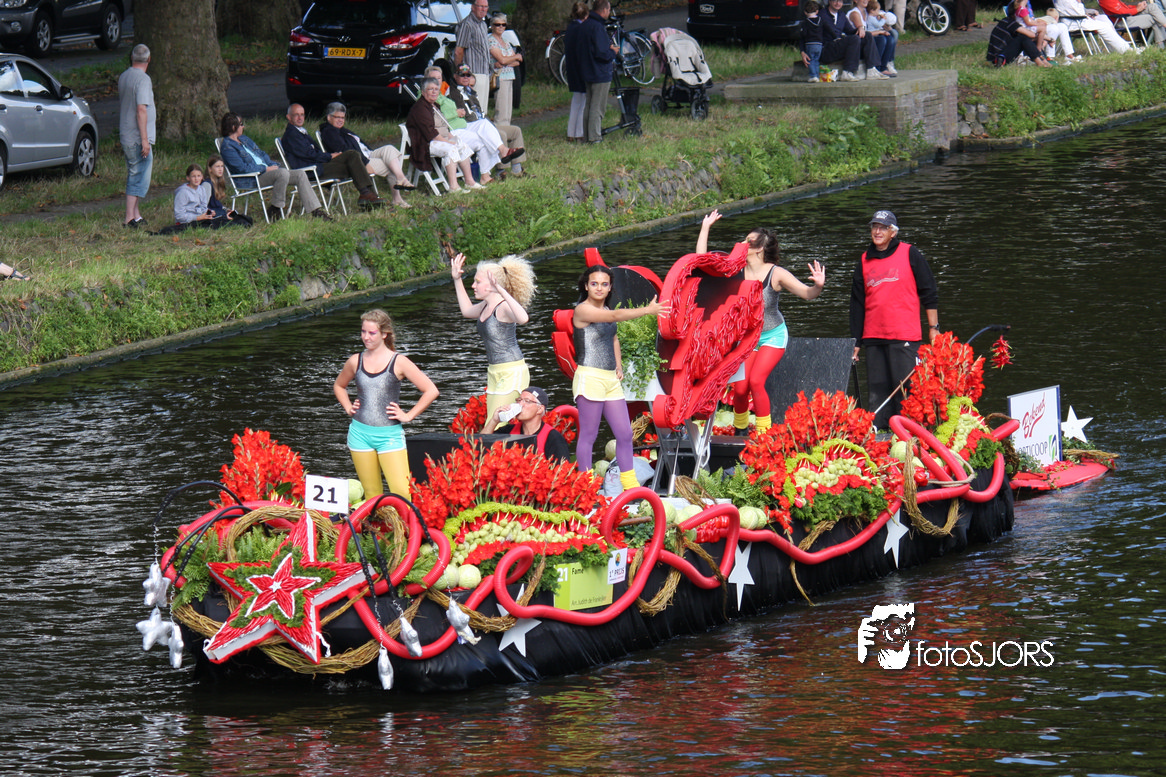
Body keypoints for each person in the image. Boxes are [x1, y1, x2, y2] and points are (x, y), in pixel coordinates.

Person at [696, 209, 825, 435]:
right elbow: (702, 263)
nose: (741, 244)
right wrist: (705, 227)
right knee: (740, 388)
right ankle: (740, 432)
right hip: (748, 338)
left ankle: (765, 436)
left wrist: (818, 286)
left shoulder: (776, 274)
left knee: (756, 381)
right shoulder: (735, 270)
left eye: (747, 241)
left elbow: (807, 294)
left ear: (758, 249)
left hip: (773, 335)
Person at [572, 264, 671, 490]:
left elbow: (614, 338)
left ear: (609, 288)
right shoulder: (582, 310)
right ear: (586, 286)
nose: (599, 288)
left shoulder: (606, 308)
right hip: (590, 377)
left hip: (610, 379)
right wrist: (647, 310)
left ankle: (630, 484)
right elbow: (616, 315)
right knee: (589, 435)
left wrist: (618, 365)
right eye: (594, 283)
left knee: (625, 434)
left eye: (604, 284)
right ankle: (585, 486)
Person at [333, 309, 439, 501]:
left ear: (384, 334)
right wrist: (348, 407)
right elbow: (339, 386)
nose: (366, 337)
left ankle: (406, 522)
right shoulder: (355, 361)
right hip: (359, 435)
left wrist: (408, 415)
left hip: (389, 436)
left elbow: (431, 390)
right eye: (363, 331)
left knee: (403, 494)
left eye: (372, 333)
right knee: (372, 495)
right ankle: (377, 522)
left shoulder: (399, 362)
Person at [848, 210, 939, 430]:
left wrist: (934, 327)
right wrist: (856, 342)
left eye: (883, 227)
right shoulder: (864, 260)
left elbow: (929, 290)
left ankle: (911, 436)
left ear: (893, 232)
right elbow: (857, 304)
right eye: (874, 227)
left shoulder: (910, 253)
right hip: (873, 337)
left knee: (906, 393)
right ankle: (880, 438)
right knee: (878, 395)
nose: (878, 231)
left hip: (904, 335)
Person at [451, 252, 536, 427]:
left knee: (495, 424)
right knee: (493, 422)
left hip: (512, 371)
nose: (473, 286)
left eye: (478, 282)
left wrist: (502, 290)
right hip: (494, 372)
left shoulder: (503, 306)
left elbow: (523, 318)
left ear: (492, 284)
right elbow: (466, 311)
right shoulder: (485, 305)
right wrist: (457, 279)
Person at [219, 112, 333, 221]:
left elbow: (262, 153)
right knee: (282, 173)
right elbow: (243, 169)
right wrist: (266, 168)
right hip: (252, 178)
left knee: (300, 174)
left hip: (267, 172)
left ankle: (315, 210)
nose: (243, 126)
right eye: (241, 124)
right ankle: (276, 208)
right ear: (233, 127)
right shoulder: (227, 148)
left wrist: (271, 164)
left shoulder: (244, 139)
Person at [425, 65, 521, 183]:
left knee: (484, 124)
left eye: (439, 78)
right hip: (451, 130)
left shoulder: (441, 94)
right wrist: (455, 113)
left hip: (462, 125)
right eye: (433, 78)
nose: (436, 81)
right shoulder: (428, 97)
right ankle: (485, 175)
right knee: (482, 139)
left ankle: (502, 151)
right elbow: (434, 118)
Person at [281, 104, 384, 208]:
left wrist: (329, 156)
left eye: (302, 115)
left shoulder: (300, 132)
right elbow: (309, 154)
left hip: (319, 166)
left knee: (352, 157)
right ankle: (368, 195)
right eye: (296, 115)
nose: (300, 118)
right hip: (311, 171)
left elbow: (312, 153)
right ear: (289, 117)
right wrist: (329, 156)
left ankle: (369, 195)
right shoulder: (291, 135)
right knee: (353, 160)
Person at [318, 102, 414, 208]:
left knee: (389, 149)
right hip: (360, 161)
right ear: (329, 117)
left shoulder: (342, 130)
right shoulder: (330, 132)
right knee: (392, 165)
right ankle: (397, 198)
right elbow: (345, 151)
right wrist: (365, 162)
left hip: (368, 154)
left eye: (343, 117)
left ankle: (401, 178)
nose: (341, 120)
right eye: (338, 117)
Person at [405, 78, 482, 192]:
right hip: (425, 144)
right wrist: (448, 142)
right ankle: (454, 187)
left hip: (439, 140)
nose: (434, 92)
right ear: (423, 92)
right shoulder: (420, 108)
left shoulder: (434, 105)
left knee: (462, 145)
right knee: (451, 148)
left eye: (436, 89)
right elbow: (431, 133)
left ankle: (469, 181)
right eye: (430, 89)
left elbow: (444, 128)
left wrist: (453, 139)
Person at [449, 67, 528, 177]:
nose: (466, 78)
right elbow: (466, 116)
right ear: (455, 76)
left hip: (485, 124)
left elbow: (481, 112)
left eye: (468, 75)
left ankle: (517, 169)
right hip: (473, 126)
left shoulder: (471, 93)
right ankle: (501, 171)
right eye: (462, 75)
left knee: (515, 131)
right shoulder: (454, 93)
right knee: (501, 134)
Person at [567, 0, 619, 144]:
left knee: (588, 105)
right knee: (597, 107)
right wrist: (613, 52)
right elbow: (602, 53)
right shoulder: (597, 27)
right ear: (604, 10)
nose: (609, 13)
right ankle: (595, 136)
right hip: (599, 72)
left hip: (587, 71)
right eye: (608, 10)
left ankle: (585, 134)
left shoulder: (584, 25)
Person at [484, 387, 572, 464]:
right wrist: (494, 420)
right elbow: (481, 445)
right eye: (519, 400)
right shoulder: (509, 431)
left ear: (540, 409)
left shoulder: (553, 438)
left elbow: (562, 471)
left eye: (527, 401)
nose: (520, 404)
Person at [119, 44, 155, 229]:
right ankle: (129, 218)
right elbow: (141, 109)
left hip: (126, 133)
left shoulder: (124, 76)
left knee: (136, 172)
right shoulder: (143, 79)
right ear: (149, 59)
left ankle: (136, 214)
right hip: (137, 136)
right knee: (137, 174)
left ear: (132, 58)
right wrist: (144, 139)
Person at [821, 0, 885, 81]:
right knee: (854, 39)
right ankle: (847, 72)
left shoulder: (841, 15)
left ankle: (871, 69)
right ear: (829, 1)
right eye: (835, 1)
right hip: (827, 48)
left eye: (840, 1)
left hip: (838, 45)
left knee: (867, 35)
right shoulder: (822, 14)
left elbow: (850, 31)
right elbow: (825, 32)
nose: (838, 3)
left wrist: (860, 28)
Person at [455, 0, 493, 117]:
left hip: (484, 72)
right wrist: (461, 73)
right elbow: (459, 51)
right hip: (473, 74)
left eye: (486, 7)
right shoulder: (467, 24)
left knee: (483, 110)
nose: (483, 9)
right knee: (476, 110)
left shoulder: (483, 24)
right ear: (473, 7)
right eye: (480, 6)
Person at [986, 1, 1053, 66]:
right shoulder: (1012, 24)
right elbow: (1031, 35)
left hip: (996, 55)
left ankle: (1042, 60)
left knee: (1024, 38)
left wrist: (1047, 39)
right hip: (1000, 56)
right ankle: (1040, 62)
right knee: (1024, 38)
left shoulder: (1005, 21)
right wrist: (1048, 39)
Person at [1054, 0, 1131, 52]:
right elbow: (1079, 12)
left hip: (1078, 20)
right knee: (1104, 26)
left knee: (1104, 18)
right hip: (1075, 23)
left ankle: (1116, 48)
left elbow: (1075, 11)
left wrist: (1088, 13)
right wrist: (1079, 2)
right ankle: (1124, 49)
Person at [488, 12, 522, 125]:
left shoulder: (506, 41)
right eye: (497, 24)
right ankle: (500, 131)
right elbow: (503, 59)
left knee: (508, 109)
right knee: (501, 109)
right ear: (492, 26)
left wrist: (507, 60)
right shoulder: (491, 40)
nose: (501, 27)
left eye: (503, 24)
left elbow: (517, 62)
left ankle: (507, 130)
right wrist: (513, 57)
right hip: (499, 78)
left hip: (510, 76)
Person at [565, 2, 590, 140]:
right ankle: (580, 132)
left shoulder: (570, 28)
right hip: (582, 67)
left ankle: (571, 132)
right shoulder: (583, 29)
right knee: (584, 101)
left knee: (576, 100)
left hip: (572, 67)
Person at [1098, 0, 1166, 46]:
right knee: (1154, 17)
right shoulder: (1105, 0)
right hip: (1122, 21)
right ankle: (1161, 45)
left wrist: (1138, 6)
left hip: (1129, 17)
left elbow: (1125, 8)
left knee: (1152, 6)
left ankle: (1160, 44)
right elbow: (1121, 12)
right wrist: (1137, 9)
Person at [865, 0, 899, 75]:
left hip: (879, 32)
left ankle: (886, 63)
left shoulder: (874, 15)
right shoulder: (870, 17)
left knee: (891, 37)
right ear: (872, 10)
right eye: (877, 10)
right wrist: (883, 19)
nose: (878, 11)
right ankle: (879, 66)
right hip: (872, 34)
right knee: (882, 40)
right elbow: (878, 24)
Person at [801, 0, 825, 82]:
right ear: (817, 11)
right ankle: (817, 75)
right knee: (816, 60)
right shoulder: (821, 20)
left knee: (810, 60)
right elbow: (829, 29)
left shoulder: (805, 22)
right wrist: (836, 37)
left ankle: (813, 75)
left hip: (810, 43)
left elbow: (804, 34)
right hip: (819, 44)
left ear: (805, 12)